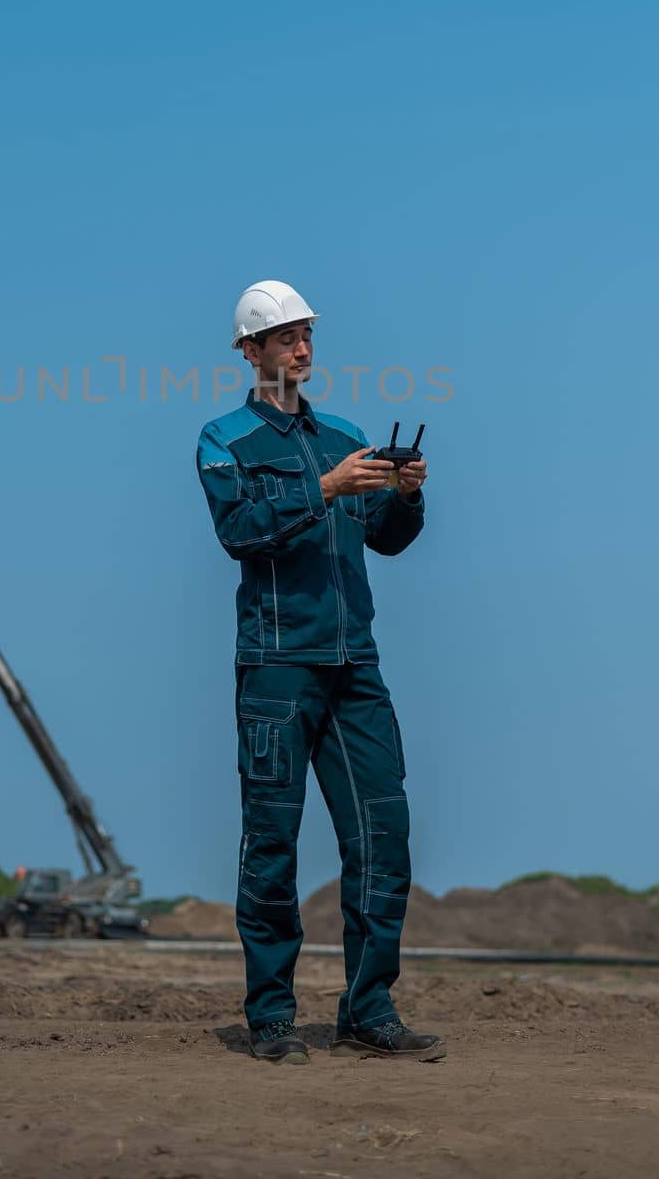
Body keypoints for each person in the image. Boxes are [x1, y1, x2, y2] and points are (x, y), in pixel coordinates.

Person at [196, 280, 445, 1065]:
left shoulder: (345, 434)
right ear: (250, 350)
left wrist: (404, 496)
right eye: (284, 337)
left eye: (306, 335)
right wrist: (323, 488)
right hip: (276, 668)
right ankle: (271, 1017)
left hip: (354, 669)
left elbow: (386, 539)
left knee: (383, 838)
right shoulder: (222, 439)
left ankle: (367, 1011)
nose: (301, 349)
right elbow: (238, 531)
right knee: (271, 843)